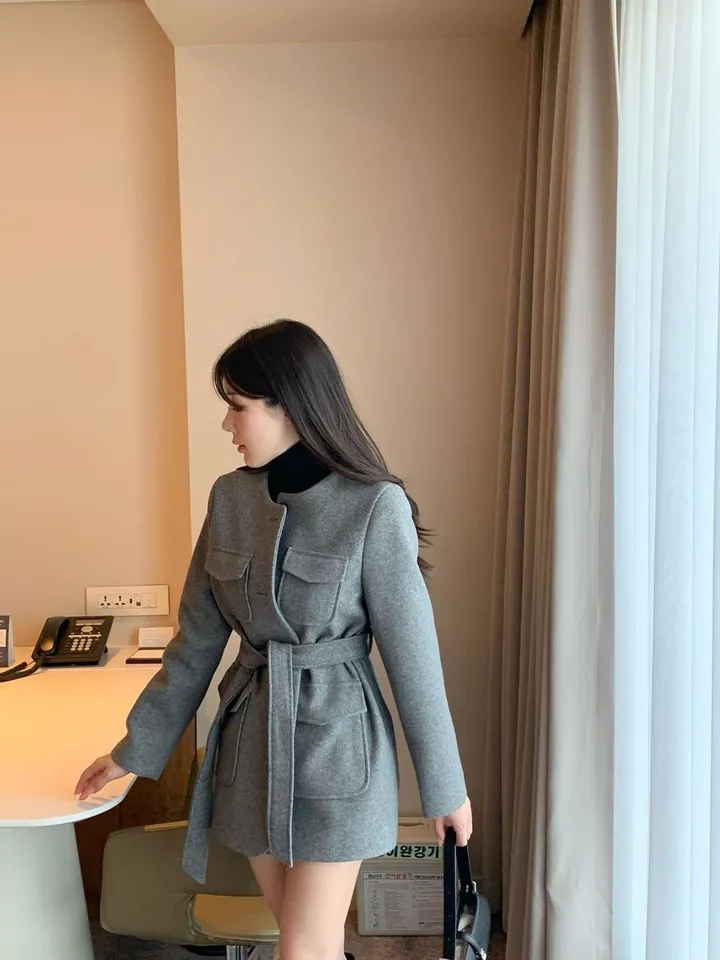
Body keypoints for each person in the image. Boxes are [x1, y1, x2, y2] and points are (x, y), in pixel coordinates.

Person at [75, 319, 472, 960]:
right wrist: (134, 748)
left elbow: (413, 658)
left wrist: (444, 787)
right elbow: (196, 643)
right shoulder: (229, 499)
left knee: (301, 947)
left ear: (287, 404)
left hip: (338, 751)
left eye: (237, 407)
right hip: (249, 749)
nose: (226, 425)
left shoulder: (374, 506)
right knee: (305, 938)